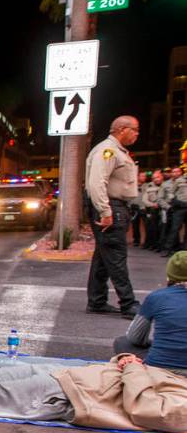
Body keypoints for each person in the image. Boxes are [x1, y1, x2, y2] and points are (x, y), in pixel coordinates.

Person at [0, 351, 187, 433]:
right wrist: (125, 363)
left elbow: (145, 408)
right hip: (73, 377)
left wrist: (132, 367)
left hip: (77, 396)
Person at [84, 116, 141, 319]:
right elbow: (97, 183)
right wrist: (105, 211)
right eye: (134, 130)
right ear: (121, 129)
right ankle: (128, 303)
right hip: (110, 206)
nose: (137, 134)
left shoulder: (117, 151)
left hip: (115, 206)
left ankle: (97, 301)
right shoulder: (107, 151)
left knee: (104, 256)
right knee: (116, 256)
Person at [113, 251, 187, 376]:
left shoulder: (156, 297)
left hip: (159, 368)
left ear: (169, 276)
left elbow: (134, 337)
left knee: (122, 342)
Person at [160, 167, 187, 257]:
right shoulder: (177, 181)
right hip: (179, 207)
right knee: (174, 229)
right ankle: (168, 249)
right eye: (174, 172)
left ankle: (185, 250)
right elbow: (171, 193)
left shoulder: (184, 179)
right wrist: (173, 202)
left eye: (178, 171)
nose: (175, 173)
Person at [141, 170, 163, 250]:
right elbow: (144, 199)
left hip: (165, 210)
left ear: (162, 176)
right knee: (152, 228)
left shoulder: (166, 185)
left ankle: (162, 245)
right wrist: (152, 204)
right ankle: (152, 244)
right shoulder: (149, 187)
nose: (156, 179)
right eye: (154, 178)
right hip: (153, 210)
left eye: (158, 177)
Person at [130, 172, 147, 247]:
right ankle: (136, 240)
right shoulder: (132, 185)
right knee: (135, 225)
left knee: (147, 225)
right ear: (138, 177)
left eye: (145, 176)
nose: (144, 177)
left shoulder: (147, 186)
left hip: (144, 208)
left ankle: (147, 241)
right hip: (134, 208)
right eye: (142, 176)